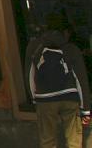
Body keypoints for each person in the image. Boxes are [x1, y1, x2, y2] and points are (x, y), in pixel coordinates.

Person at [25, 14, 91, 148]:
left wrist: (34, 99)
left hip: (44, 98)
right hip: (69, 97)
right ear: (66, 32)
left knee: (47, 140)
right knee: (74, 141)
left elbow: (29, 76)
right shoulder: (71, 49)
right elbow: (81, 80)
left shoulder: (34, 47)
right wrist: (86, 110)